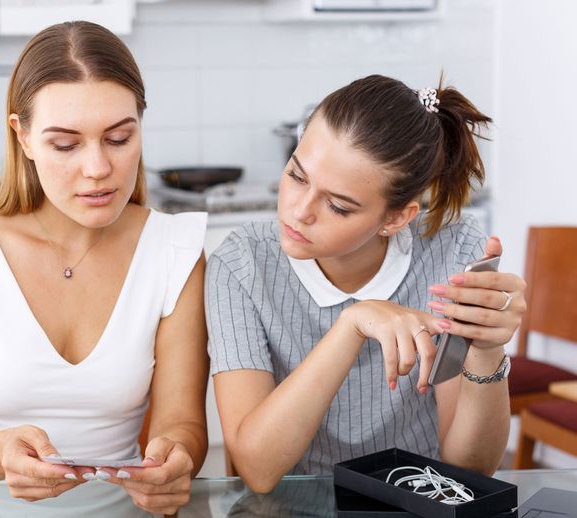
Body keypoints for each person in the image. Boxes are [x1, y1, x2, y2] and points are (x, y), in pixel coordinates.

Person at [0, 21, 208, 515]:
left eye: (119, 138)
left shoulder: (174, 250)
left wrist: (178, 456)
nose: (98, 168)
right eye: (66, 145)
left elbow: (182, 423)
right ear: (22, 136)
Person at [205, 74, 526, 493]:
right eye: (297, 175)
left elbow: (471, 468)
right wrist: (352, 325)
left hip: (418, 498)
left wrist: (486, 350)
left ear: (395, 218)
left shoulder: (455, 250)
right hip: (292, 505)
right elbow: (258, 468)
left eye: (338, 206)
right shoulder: (241, 263)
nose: (299, 211)